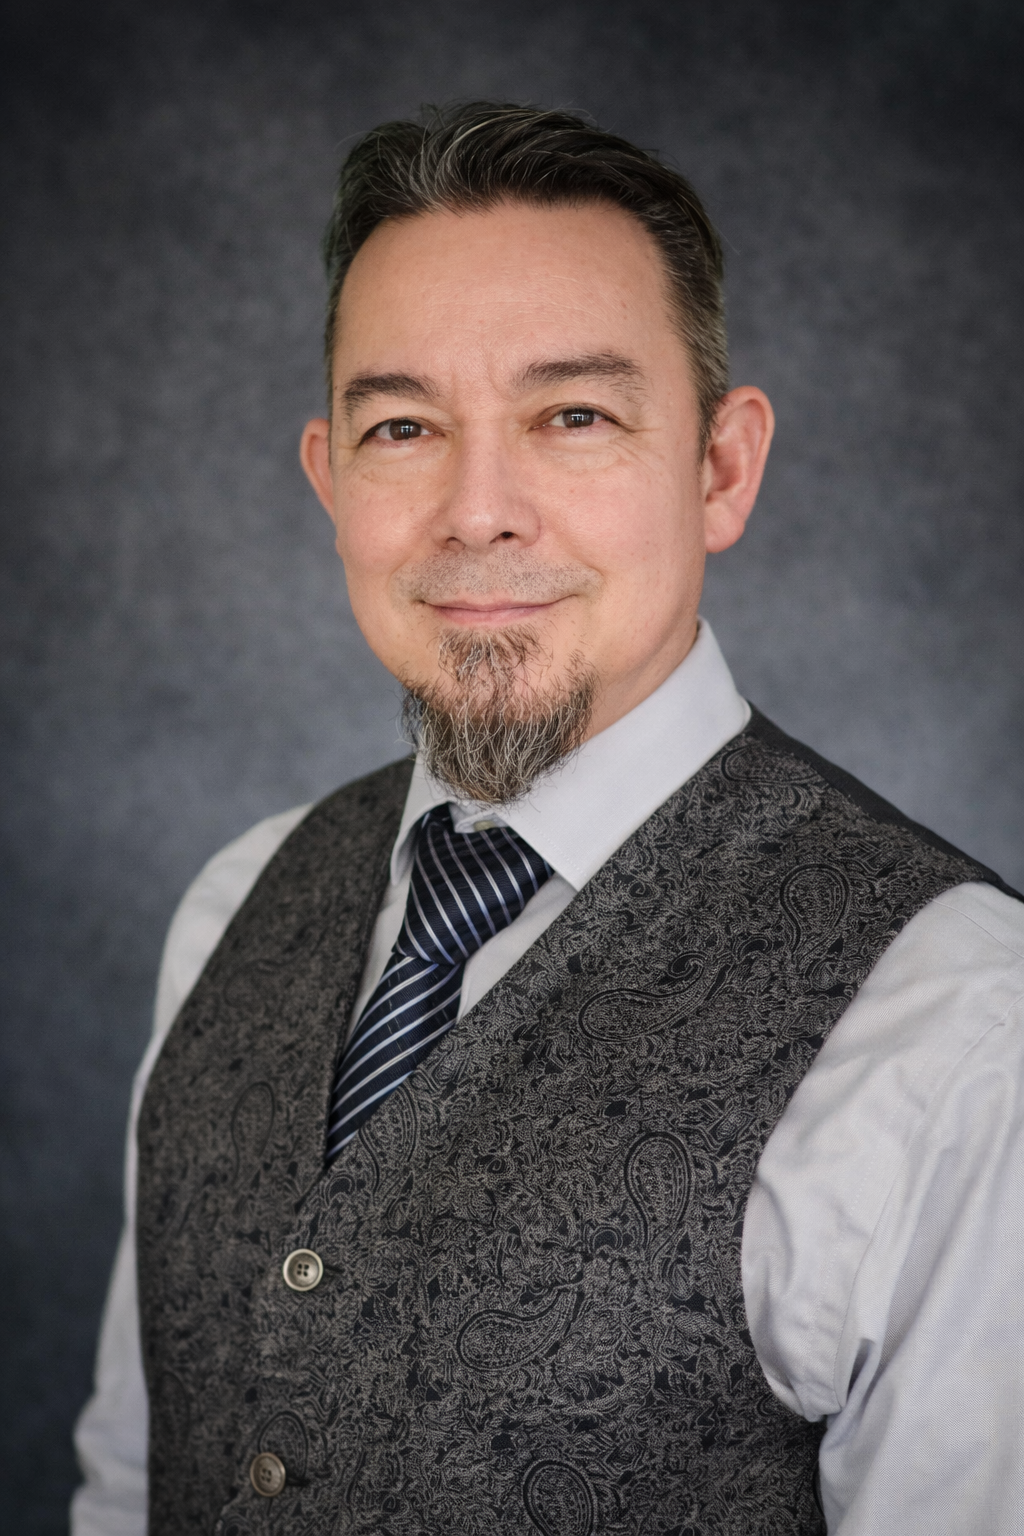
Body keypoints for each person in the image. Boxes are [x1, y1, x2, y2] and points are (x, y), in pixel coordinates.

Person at [72, 103, 1024, 1536]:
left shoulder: (958, 1032)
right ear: (332, 480)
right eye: (404, 427)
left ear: (720, 468)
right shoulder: (232, 904)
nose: (476, 511)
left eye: (573, 414)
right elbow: (132, 1484)